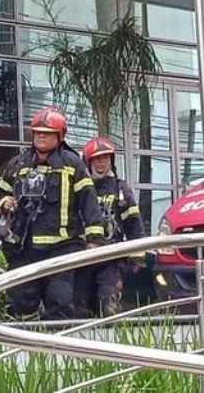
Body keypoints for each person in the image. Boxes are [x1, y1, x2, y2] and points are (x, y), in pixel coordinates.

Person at [0, 107, 104, 320]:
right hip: (23, 246)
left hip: (62, 246)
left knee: (60, 300)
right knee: (21, 300)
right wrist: (3, 202)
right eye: (37, 132)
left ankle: (57, 348)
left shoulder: (73, 165)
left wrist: (95, 239)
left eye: (47, 132)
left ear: (59, 136)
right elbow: (0, 193)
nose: (41, 136)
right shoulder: (19, 164)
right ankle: (27, 347)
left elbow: (89, 202)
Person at [74, 136, 146, 317]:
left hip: (112, 258)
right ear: (88, 161)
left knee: (109, 305)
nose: (101, 162)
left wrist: (137, 255)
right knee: (79, 307)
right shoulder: (80, 188)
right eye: (97, 158)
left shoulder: (120, 188)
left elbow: (133, 222)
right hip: (83, 257)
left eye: (105, 158)